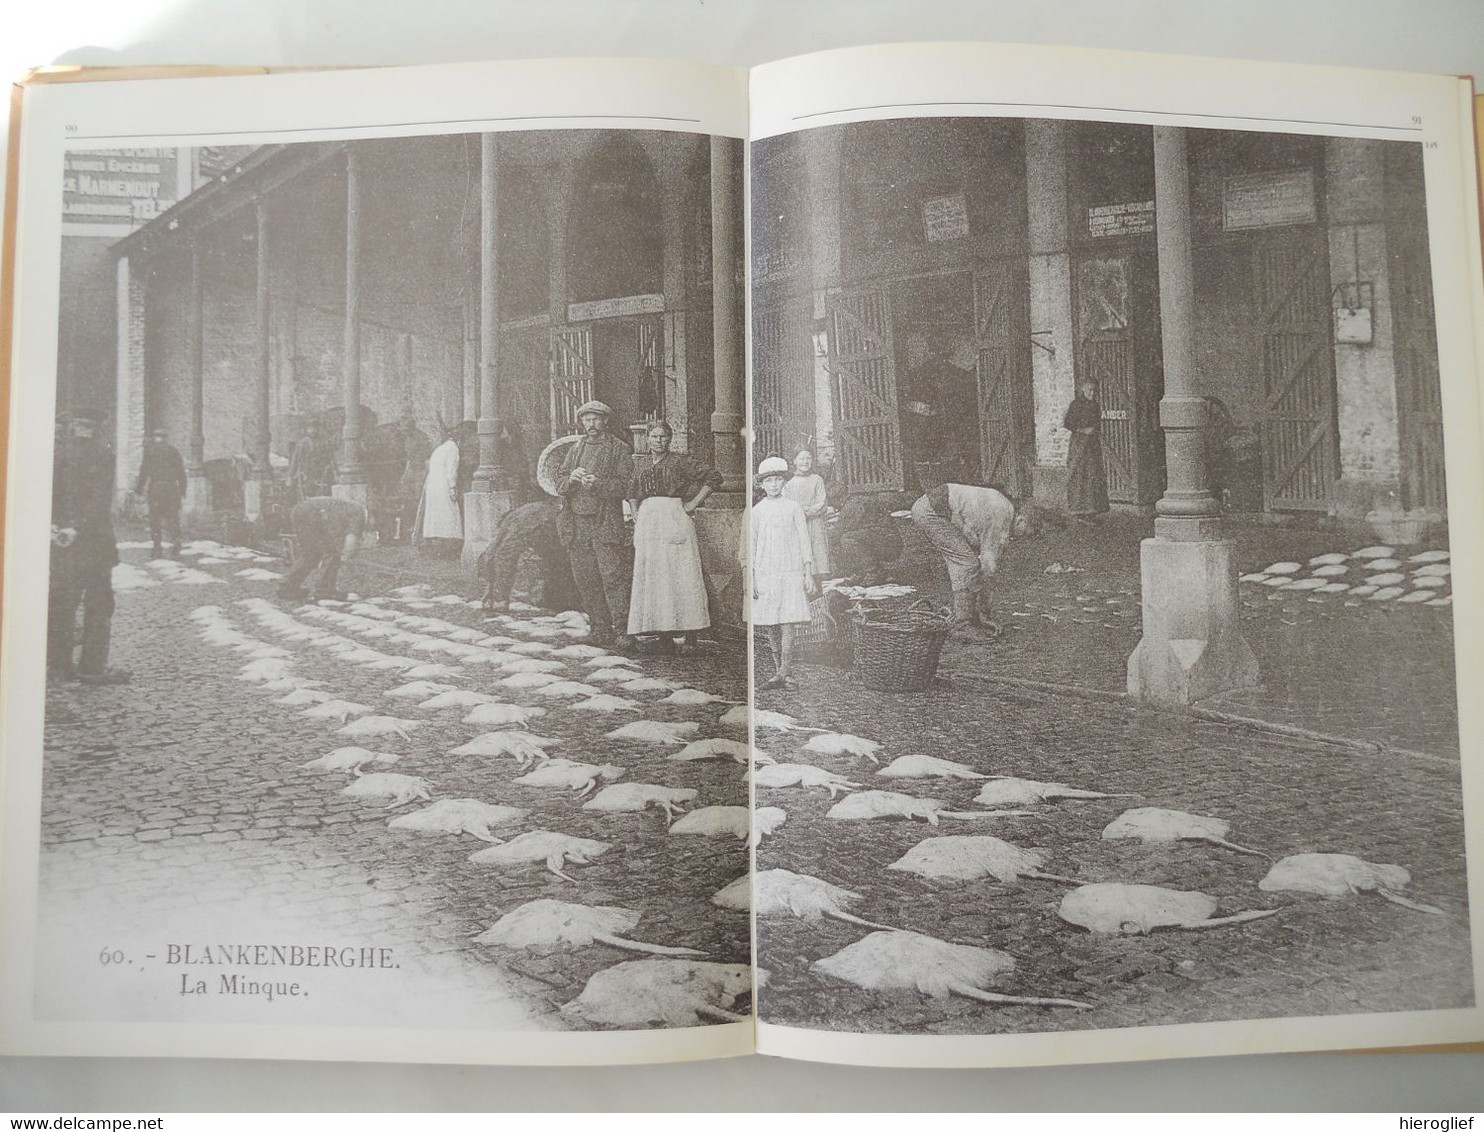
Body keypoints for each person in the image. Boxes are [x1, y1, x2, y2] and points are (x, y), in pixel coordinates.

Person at [627, 420, 723, 653]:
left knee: (682, 575)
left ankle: (691, 632)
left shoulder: (681, 461)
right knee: (657, 577)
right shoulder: (640, 463)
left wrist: (691, 504)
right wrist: (636, 512)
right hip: (649, 523)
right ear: (647, 439)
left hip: (674, 518)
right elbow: (632, 491)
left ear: (669, 439)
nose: (659, 441)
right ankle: (664, 634)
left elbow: (714, 477)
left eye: (663, 437)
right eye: (654, 437)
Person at [48, 412, 130, 685]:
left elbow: (49, 493)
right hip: (93, 543)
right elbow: (99, 500)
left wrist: (55, 526)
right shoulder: (103, 454)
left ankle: (58, 668)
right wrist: (78, 527)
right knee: (99, 604)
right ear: (96, 428)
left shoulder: (58, 453)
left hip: (62, 544)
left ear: (74, 426)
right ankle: (92, 668)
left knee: (62, 603)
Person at [555, 400, 636, 649]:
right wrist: (571, 478)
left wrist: (598, 484)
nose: (591, 424)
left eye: (596, 419)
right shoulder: (576, 449)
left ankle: (623, 631)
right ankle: (600, 629)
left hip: (605, 524)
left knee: (613, 578)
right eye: (587, 420)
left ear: (606, 421)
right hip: (578, 525)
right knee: (587, 578)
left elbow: (626, 485)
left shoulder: (619, 449)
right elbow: (558, 483)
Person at [909, 482, 1021, 641]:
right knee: (966, 563)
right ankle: (963, 625)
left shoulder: (1004, 506)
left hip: (936, 508)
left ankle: (970, 618)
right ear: (1022, 520)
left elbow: (979, 545)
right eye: (1029, 531)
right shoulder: (1002, 514)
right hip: (932, 511)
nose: (1025, 537)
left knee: (968, 561)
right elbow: (988, 566)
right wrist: (985, 611)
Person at [752, 455, 816, 690]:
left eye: (778, 480)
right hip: (767, 571)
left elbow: (804, 541)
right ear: (761, 484)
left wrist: (807, 573)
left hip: (790, 569)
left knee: (788, 621)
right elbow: (753, 545)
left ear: (784, 482)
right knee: (771, 622)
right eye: (769, 481)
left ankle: (784, 672)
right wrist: (753, 577)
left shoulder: (793, 508)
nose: (774, 485)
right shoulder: (757, 512)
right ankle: (779, 670)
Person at [477, 501, 580, 614]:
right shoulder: (511, 523)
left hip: (545, 522)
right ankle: (559, 600)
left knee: (557, 561)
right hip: (544, 517)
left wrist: (501, 598)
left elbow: (504, 559)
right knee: (554, 561)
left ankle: (565, 601)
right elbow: (492, 557)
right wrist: (491, 589)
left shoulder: (514, 529)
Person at [278, 496, 368, 602]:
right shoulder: (359, 514)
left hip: (303, 510)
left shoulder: (354, 508)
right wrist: (345, 555)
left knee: (312, 554)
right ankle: (324, 591)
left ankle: (288, 587)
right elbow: (350, 540)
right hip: (311, 514)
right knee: (329, 553)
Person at [134, 427, 187, 558]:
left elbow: (144, 471)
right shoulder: (173, 451)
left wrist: (139, 489)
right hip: (171, 489)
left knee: (155, 519)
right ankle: (176, 542)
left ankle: (157, 547)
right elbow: (181, 471)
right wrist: (183, 489)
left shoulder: (150, 451)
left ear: (154, 438)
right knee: (172, 517)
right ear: (165, 438)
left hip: (156, 489)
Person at [1063, 380, 1109, 521]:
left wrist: (1093, 430)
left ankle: (1092, 510)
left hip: (1092, 445)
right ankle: (1078, 509)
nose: (1092, 393)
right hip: (1079, 443)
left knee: (1093, 473)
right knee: (1079, 473)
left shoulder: (1095, 406)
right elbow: (1068, 423)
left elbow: (1097, 423)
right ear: (1083, 389)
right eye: (1089, 390)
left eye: (1094, 391)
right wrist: (1082, 430)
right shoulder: (1076, 405)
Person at [783, 449, 831, 581]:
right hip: (799, 527)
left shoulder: (817, 480)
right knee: (803, 557)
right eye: (801, 458)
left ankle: (820, 589)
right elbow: (789, 507)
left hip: (816, 526)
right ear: (794, 461)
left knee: (819, 557)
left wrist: (808, 511)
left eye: (808, 458)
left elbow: (822, 503)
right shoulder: (789, 485)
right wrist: (801, 514)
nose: (805, 461)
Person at [418, 426, 463, 555]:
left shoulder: (439, 449)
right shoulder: (453, 449)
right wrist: (453, 488)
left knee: (435, 516)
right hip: (443, 484)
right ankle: (449, 547)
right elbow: (451, 470)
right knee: (449, 513)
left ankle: (434, 546)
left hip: (433, 485)